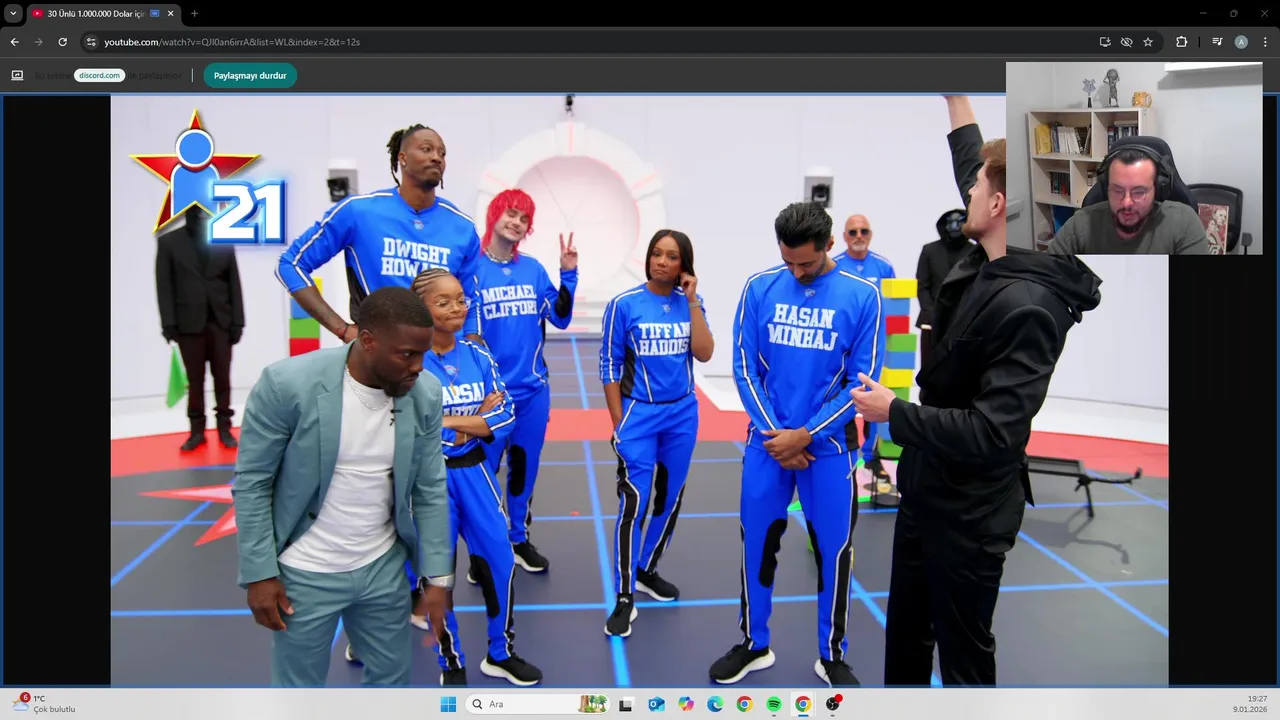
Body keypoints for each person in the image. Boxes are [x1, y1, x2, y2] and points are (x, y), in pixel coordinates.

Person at [851, 95, 1102, 687]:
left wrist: (895, 413)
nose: (966, 192)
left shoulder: (1030, 306)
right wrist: (955, 96)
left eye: (976, 189)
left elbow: (994, 433)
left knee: (963, 659)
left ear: (998, 206)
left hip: (969, 515)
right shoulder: (996, 249)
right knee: (906, 636)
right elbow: (975, 161)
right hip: (926, 489)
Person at [231, 286, 454, 688]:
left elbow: (430, 487)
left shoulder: (425, 393)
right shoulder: (287, 385)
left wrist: (438, 577)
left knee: (392, 685)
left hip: (383, 568)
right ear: (368, 341)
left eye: (423, 354)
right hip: (304, 572)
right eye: (407, 354)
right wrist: (260, 573)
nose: (419, 367)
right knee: (298, 694)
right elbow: (252, 483)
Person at [710, 202, 882, 688]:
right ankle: (753, 642)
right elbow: (744, 368)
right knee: (757, 545)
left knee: (834, 551)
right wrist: (778, 437)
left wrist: (805, 435)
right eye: (788, 261)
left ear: (829, 245)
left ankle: (832, 654)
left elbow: (863, 382)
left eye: (805, 262)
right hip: (767, 445)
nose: (796, 271)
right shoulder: (759, 287)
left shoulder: (862, 295)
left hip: (828, 450)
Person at [377, 267, 541, 686]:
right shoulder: (406, 362)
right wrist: (474, 421)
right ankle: (451, 662)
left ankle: (500, 653)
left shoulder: (479, 356)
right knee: (437, 575)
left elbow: (505, 415)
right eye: (443, 301)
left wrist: (449, 421)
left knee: (500, 561)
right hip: (429, 480)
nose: (457, 308)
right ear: (420, 309)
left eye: (461, 299)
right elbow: (410, 427)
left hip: (476, 473)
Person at [600, 230, 714, 637]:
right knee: (635, 502)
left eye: (672, 256)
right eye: (656, 254)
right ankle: (625, 594)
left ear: (684, 264)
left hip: (682, 415)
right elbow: (609, 364)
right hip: (639, 416)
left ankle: (648, 568)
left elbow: (704, 353)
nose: (662, 261)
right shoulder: (624, 305)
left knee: (669, 498)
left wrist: (693, 300)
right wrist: (619, 420)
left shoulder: (690, 304)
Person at [275, 124, 484, 345]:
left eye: (442, 153)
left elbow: (471, 299)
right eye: (426, 149)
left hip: (445, 356)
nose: (436, 158)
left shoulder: (463, 227)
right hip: (383, 354)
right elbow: (291, 264)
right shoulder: (359, 212)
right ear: (402, 158)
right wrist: (342, 329)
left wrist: (472, 349)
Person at [472, 189, 579, 575]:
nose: (516, 223)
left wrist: (568, 275)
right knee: (482, 477)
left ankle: (517, 539)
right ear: (494, 215)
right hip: (489, 397)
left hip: (532, 393)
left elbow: (561, 318)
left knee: (523, 471)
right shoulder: (471, 270)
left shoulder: (532, 270)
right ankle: (483, 551)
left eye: (524, 219)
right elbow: (465, 335)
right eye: (511, 214)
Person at [155, 205, 245, 451]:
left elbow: (234, 283)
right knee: (195, 381)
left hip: (221, 321)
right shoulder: (169, 242)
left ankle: (225, 427)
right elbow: (164, 285)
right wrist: (168, 322)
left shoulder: (223, 241)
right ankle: (196, 431)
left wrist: (238, 321)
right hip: (187, 324)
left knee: (223, 378)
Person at [1045, 146, 1209, 255]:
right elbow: (1045, 277)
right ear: (1105, 187)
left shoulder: (1184, 223)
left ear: (1157, 189)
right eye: (1118, 190)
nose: (1126, 202)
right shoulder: (1081, 224)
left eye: (1139, 192)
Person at [832, 213, 895, 485]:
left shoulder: (884, 266)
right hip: (843, 347)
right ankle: (838, 450)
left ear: (871, 235)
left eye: (864, 231)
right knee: (841, 396)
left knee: (874, 399)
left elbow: (893, 306)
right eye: (853, 232)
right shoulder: (835, 264)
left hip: (874, 347)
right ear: (844, 237)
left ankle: (871, 456)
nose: (859, 236)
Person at [914, 208, 971, 369]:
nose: (955, 227)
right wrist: (932, 313)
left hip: (964, 321)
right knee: (929, 369)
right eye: (951, 223)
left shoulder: (974, 251)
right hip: (931, 321)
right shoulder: (929, 250)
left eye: (959, 223)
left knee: (960, 368)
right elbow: (923, 286)